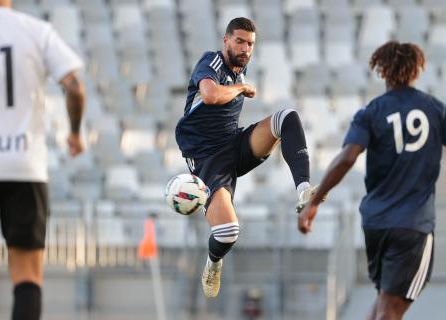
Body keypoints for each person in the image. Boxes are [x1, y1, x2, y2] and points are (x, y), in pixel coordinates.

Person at [298, 41, 442, 320]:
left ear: (382, 71)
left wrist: (314, 203)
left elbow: (347, 157)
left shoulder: (371, 112)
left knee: (382, 304)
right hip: (413, 224)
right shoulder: (434, 110)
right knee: (391, 308)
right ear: (417, 70)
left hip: (376, 223)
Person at [176, 17, 316, 298]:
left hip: (234, 144)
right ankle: (213, 263)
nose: (245, 48)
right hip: (207, 160)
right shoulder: (212, 62)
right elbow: (210, 94)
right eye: (239, 41)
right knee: (228, 231)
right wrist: (241, 88)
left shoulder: (241, 67)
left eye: (250, 44)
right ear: (226, 40)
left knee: (286, 118)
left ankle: (304, 191)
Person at [0, 1, 85, 319]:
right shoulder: (36, 31)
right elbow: (74, 88)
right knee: (27, 274)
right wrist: (74, 133)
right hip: (24, 165)